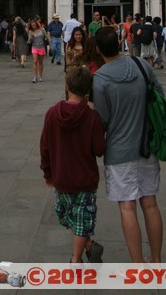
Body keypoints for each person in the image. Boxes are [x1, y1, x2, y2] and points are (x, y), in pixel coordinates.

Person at [93, 26, 164, 263]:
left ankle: (138, 264)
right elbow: (160, 96)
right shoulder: (141, 65)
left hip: (119, 150)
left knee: (127, 207)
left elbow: (102, 119)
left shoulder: (100, 78)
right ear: (121, 42)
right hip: (147, 146)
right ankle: (156, 259)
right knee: (150, 204)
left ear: (97, 49)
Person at [40, 66, 105, 263]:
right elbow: (99, 150)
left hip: (62, 177)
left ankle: (75, 259)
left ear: (67, 86)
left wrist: (47, 173)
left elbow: (45, 147)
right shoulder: (92, 117)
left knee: (63, 213)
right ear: (88, 91)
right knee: (81, 219)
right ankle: (87, 243)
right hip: (86, 179)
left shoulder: (52, 113)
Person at [28, 18, 48, 83]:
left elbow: (47, 37)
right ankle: (35, 76)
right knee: (35, 61)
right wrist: (31, 38)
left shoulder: (42, 30)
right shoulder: (30, 32)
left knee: (40, 62)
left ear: (36, 24)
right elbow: (29, 41)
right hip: (34, 47)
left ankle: (40, 76)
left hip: (41, 47)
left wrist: (50, 44)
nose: (33, 26)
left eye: (34, 25)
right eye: (32, 25)